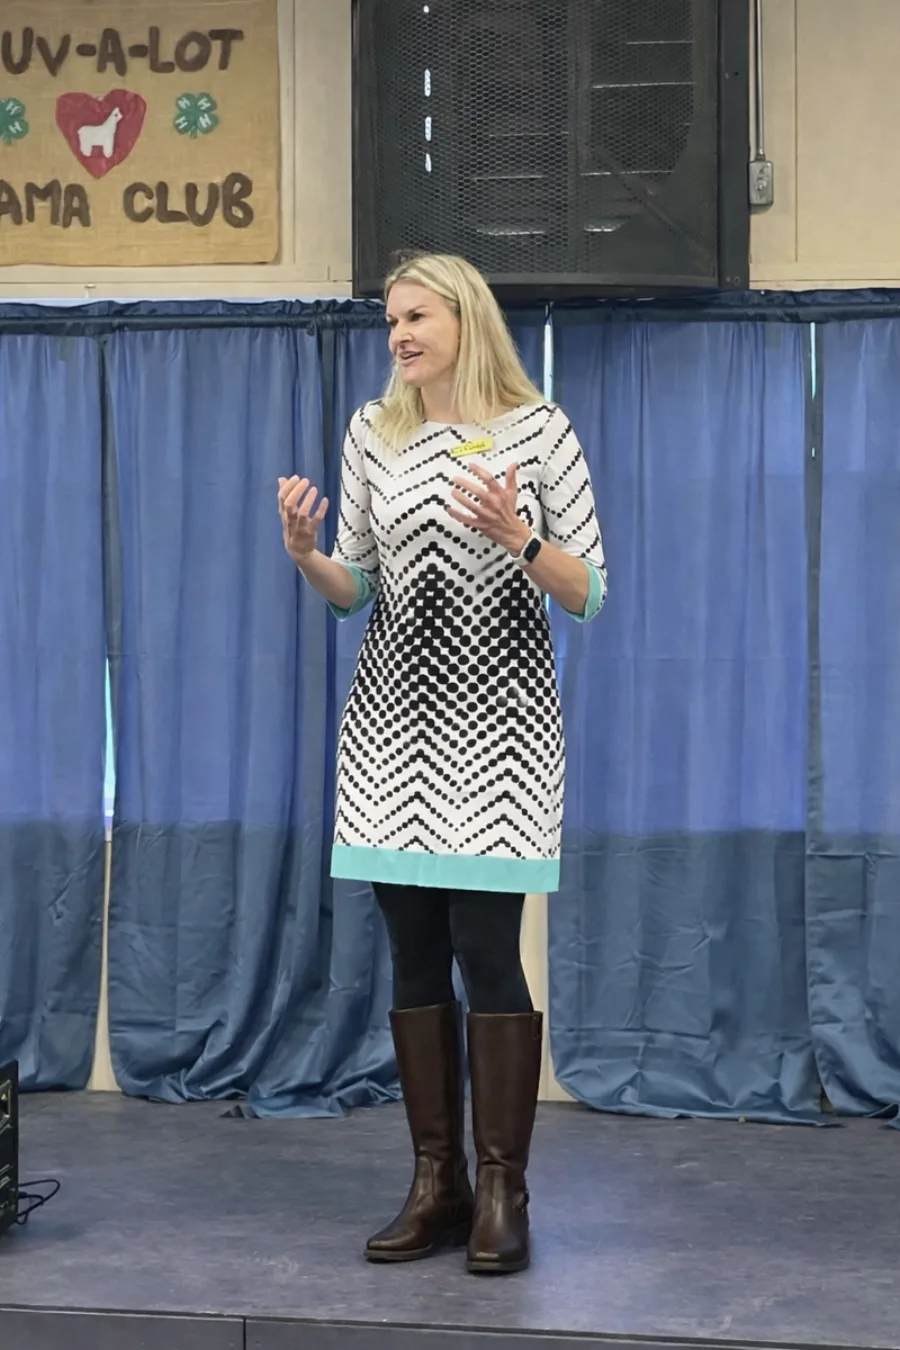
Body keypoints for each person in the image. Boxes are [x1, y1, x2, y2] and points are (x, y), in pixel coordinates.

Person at [277, 253, 606, 1275]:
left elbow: (590, 588)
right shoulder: (375, 434)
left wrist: (519, 538)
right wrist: (304, 553)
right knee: (413, 955)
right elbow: (356, 588)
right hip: (388, 732)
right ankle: (437, 1184)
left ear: (466, 318)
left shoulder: (539, 430)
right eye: (389, 320)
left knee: (487, 952)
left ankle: (505, 1187)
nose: (399, 335)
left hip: (500, 736)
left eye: (415, 315)